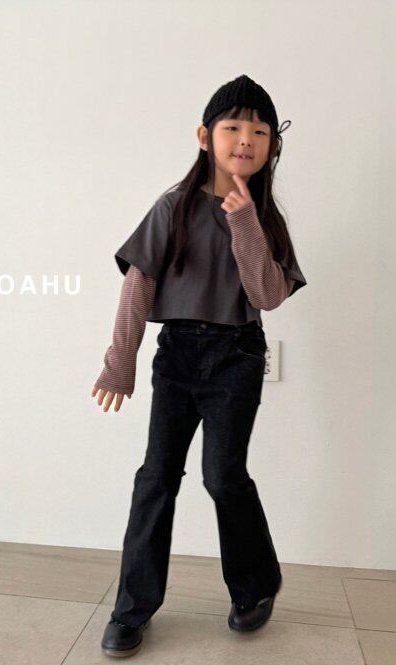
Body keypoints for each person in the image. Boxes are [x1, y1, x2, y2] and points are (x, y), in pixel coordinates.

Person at [90, 74, 307, 658]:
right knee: (156, 477)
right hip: (178, 355)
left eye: (260, 131)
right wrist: (120, 362)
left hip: (237, 356)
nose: (246, 140)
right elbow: (138, 287)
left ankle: (256, 585)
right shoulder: (173, 206)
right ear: (205, 136)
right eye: (233, 127)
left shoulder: (267, 219)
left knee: (222, 476)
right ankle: (131, 610)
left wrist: (245, 222)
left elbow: (266, 296)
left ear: (273, 146)